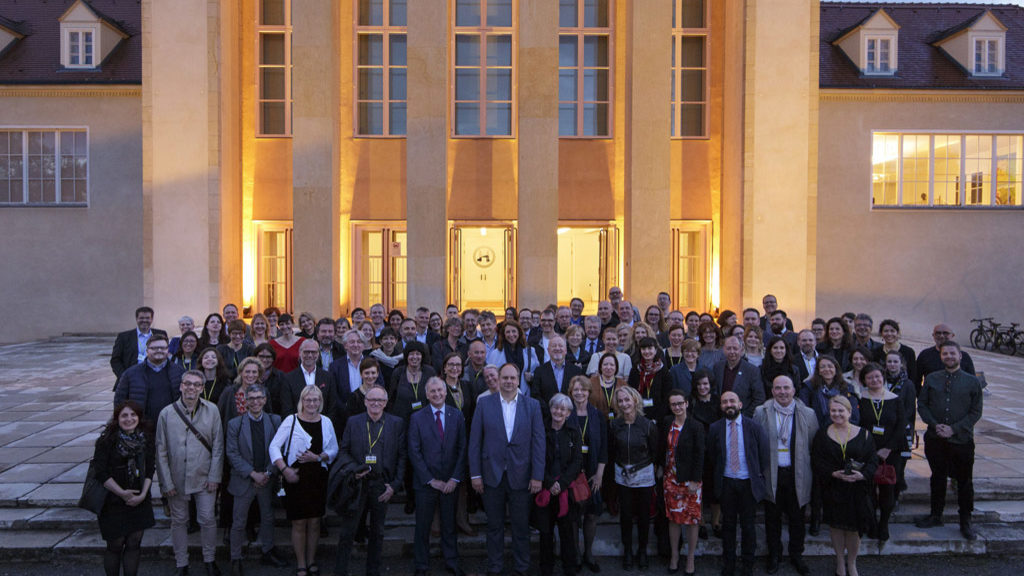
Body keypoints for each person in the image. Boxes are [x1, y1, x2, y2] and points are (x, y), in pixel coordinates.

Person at [469, 363, 546, 576]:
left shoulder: (532, 406)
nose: (509, 381)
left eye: (513, 378)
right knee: (494, 527)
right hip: (491, 476)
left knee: (521, 528)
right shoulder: (484, 404)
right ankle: (495, 567)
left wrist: (537, 476)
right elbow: (475, 442)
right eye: (505, 378)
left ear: (519, 379)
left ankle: (521, 567)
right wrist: (475, 474)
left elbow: (539, 443)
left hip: (522, 476)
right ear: (498, 379)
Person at [330, 384, 406, 576]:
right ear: (365, 401)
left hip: (382, 485)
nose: (375, 403)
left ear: (386, 403)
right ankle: (340, 571)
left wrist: (395, 486)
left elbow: (402, 457)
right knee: (348, 531)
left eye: (380, 400)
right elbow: (344, 451)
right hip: (357, 484)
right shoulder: (353, 422)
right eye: (372, 400)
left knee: (377, 532)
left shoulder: (396, 423)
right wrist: (354, 471)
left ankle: (373, 571)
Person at [156, 370, 224, 576]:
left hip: (204, 477)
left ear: (202, 388)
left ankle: (209, 560)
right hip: (177, 478)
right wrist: (165, 483)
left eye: (196, 385)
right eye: (187, 384)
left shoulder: (212, 410)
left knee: (207, 518)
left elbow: (218, 447)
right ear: (181, 386)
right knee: (178, 521)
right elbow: (161, 451)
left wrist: (214, 477)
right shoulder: (166, 413)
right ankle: (181, 563)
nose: (191, 388)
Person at [915, 341, 983, 540]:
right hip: (936, 438)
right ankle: (936, 515)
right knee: (937, 477)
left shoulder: (972, 382)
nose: (949, 357)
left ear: (960, 356)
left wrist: (954, 428)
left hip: (962, 440)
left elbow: (975, 411)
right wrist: (936, 425)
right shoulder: (932, 379)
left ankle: (965, 520)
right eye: (945, 354)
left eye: (953, 353)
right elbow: (923, 405)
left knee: (964, 481)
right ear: (941, 356)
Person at [270, 385, 339, 576]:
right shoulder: (290, 420)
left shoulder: (326, 422)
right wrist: (284, 469)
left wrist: (317, 457)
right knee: (299, 522)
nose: (312, 403)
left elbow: (334, 449)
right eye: (308, 400)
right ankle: (301, 563)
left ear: (320, 402)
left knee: (315, 521)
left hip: (318, 477)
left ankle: (311, 561)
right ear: (302, 401)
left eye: (316, 400)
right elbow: (274, 447)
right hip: (296, 478)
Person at [753, 376, 817, 576]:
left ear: (793, 390)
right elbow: (755, 443)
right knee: (772, 518)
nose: (782, 392)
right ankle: (774, 555)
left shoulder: (807, 413)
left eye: (786, 388)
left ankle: (796, 554)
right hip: (772, 473)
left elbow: (813, 444)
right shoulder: (761, 412)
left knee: (797, 518)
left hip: (797, 473)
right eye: (778, 388)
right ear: (772, 391)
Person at [225, 383, 288, 574]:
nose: (255, 402)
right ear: (245, 401)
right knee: (238, 521)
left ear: (265, 400)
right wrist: (252, 473)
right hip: (244, 479)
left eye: (259, 397)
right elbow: (232, 453)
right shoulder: (235, 424)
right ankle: (235, 558)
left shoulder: (275, 420)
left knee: (268, 517)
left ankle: (267, 551)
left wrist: (268, 473)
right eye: (251, 398)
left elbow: (280, 449)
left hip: (267, 479)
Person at [408, 377, 468, 576]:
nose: (436, 394)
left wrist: (454, 479)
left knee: (449, 525)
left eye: (440, 390)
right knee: (422, 526)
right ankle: (421, 565)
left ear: (445, 392)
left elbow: (462, 449)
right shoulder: (417, 418)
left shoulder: (457, 415)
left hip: (450, 482)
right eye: (432, 391)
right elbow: (414, 451)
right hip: (426, 483)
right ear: (426, 394)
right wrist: (430, 479)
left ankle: (451, 561)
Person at [812, 396, 877, 576]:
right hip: (833, 488)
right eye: (833, 410)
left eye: (841, 411)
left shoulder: (864, 434)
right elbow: (817, 460)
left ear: (849, 412)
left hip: (857, 489)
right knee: (836, 526)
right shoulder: (822, 434)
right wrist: (833, 473)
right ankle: (840, 562)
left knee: (854, 529)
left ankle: (852, 562)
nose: (837, 414)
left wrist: (862, 475)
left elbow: (873, 460)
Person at [707, 391, 769, 576]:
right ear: (721, 407)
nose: (729, 404)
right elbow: (712, 455)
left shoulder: (754, 427)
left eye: (732, 400)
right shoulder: (715, 428)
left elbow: (763, 455)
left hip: (747, 483)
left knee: (749, 526)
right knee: (728, 526)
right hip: (726, 483)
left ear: (740, 404)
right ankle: (729, 563)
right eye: (724, 402)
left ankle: (748, 563)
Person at [94, 400, 155, 576]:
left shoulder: (146, 438)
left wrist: (143, 494)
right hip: (113, 500)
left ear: (139, 417)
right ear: (117, 419)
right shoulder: (106, 441)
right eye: (124, 415)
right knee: (115, 544)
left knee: (134, 542)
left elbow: (150, 469)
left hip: (139, 498)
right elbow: (101, 472)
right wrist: (122, 494)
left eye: (133, 415)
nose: (129, 419)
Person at [800, 354, 859, 535]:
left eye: (830, 366)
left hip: (842, 437)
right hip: (819, 438)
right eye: (823, 367)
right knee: (819, 479)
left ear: (836, 368)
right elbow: (804, 411)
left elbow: (854, 414)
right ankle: (816, 517)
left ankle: (838, 517)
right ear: (817, 370)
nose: (827, 370)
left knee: (841, 478)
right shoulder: (809, 387)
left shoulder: (846, 388)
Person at [608, 386, 658, 570]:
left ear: (635, 400)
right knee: (626, 516)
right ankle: (628, 551)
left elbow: (655, 451)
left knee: (644, 516)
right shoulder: (614, 425)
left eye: (627, 400)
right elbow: (612, 450)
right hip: (622, 476)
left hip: (644, 475)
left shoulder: (647, 425)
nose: (624, 404)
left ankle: (642, 551)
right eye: (620, 401)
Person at [856, 363, 905, 542]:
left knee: (887, 490)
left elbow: (901, 426)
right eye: (870, 378)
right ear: (864, 381)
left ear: (883, 377)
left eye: (877, 376)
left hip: (890, 452)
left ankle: (884, 524)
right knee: (867, 490)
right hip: (867, 451)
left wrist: (887, 448)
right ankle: (872, 523)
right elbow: (857, 425)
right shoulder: (860, 398)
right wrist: (869, 449)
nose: (874, 380)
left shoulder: (895, 399)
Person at [536, 393, 582, 576]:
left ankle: (569, 568)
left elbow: (577, 461)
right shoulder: (540, 429)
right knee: (545, 533)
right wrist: (549, 482)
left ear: (569, 413)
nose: (558, 411)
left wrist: (561, 484)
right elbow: (536, 457)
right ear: (550, 408)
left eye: (563, 409)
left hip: (566, 490)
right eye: (555, 407)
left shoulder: (573, 431)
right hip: (544, 488)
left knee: (567, 533)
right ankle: (546, 569)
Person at [662, 390, 705, 575]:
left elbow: (700, 453)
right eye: (674, 404)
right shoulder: (667, 423)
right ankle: (674, 556)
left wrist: (695, 480)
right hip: (670, 479)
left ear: (687, 403)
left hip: (690, 480)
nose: (677, 407)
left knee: (692, 520)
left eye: (680, 403)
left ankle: (690, 558)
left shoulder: (696, 426)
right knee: (673, 519)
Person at [567, 375, 607, 573]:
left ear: (589, 392)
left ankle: (588, 553)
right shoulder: (565, 414)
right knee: (573, 516)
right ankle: (574, 553)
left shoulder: (598, 415)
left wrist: (599, 474)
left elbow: (604, 448)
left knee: (591, 515)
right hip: (571, 474)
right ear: (571, 392)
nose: (580, 393)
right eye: (576, 389)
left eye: (583, 389)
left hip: (593, 473)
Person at [114, 334, 185, 424]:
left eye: (163, 348)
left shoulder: (179, 372)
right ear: (147, 350)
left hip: (171, 423)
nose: (159, 350)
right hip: (141, 425)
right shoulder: (130, 373)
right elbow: (119, 400)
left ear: (168, 350)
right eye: (154, 348)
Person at [689, 370, 721, 539]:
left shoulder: (718, 401)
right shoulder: (691, 402)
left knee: (716, 489)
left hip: (715, 450)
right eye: (699, 384)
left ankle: (716, 523)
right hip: (697, 451)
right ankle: (700, 522)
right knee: (699, 489)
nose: (702, 387)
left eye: (706, 384)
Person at [111, 306, 168, 389]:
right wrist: (125, 376)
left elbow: (166, 356)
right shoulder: (124, 337)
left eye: (147, 318)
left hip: (156, 377)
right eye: (141, 318)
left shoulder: (161, 334)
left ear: (152, 319)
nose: (144, 320)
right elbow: (115, 360)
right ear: (136, 319)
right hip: (132, 379)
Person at [280, 340, 335, 420]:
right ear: (300, 353)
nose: (309, 355)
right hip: (297, 427)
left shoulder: (328, 377)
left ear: (318, 354)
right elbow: (287, 409)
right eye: (306, 352)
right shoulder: (288, 378)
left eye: (313, 352)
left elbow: (332, 407)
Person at [914, 323, 975, 395]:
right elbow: (916, 380)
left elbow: (972, 382)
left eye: (945, 333)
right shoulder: (925, 355)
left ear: (952, 335)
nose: (941, 336)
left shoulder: (964, 357)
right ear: (933, 336)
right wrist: (924, 398)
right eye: (938, 333)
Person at [713, 336, 765, 418]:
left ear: (741, 350)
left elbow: (759, 398)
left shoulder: (752, 370)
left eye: (735, 348)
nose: (732, 351)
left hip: (743, 417)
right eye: (729, 348)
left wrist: (744, 416)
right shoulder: (717, 367)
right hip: (721, 417)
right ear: (723, 349)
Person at [486, 320, 541, 396]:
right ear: (504, 334)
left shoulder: (530, 351)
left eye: (514, 331)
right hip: (502, 395)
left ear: (519, 333)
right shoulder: (495, 353)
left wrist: (531, 377)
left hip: (524, 395)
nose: (511, 334)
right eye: (508, 332)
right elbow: (491, 375)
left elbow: (537, 373)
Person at [532, 335, 583, 414]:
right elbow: (535, 395)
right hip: (547, 417)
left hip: (571, 416)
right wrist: (550, 411)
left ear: (565, 350)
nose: (557, 348)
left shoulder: (576, 371)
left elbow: (580, 394)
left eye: (560, 346)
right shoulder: (539, 371)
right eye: (554, 346)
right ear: (548, 350)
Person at [628, 337, 673, 423]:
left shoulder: (663, 371)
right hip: (639, 415)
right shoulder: (635, 370)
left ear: (655, 350)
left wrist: (658, 418)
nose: (647, 351)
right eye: (644, 349)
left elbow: (666, 396)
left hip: (659, 417)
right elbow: (631, 392)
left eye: (650, 348)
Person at [872, 319, 917, 386]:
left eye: (892, 331)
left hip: (904, 391)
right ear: (881, 333)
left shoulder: (908, 352)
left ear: (898, 333)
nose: (889, 334)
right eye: (886, 331)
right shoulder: (876, 352)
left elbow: (913, 376)